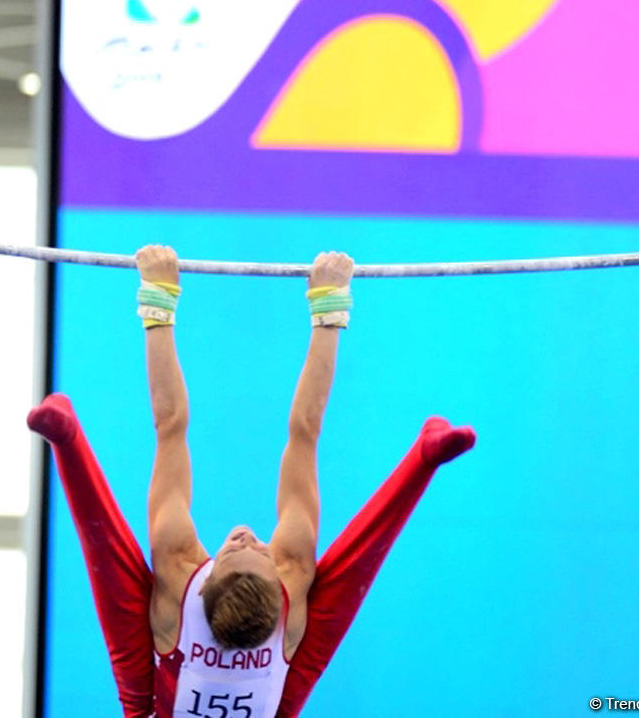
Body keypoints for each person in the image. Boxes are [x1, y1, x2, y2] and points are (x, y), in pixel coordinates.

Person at [28, 245, 476, 717]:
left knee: (107, 558)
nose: (246, 535)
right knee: (354, 566)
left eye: (235, 547)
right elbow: (305, 436)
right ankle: (426, 457)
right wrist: (328, 307)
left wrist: (158, 299)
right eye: (259, 549)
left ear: (199, 587)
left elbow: (170, 427)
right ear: (280, 594)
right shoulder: (290, 580)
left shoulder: (178, 578)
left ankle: (67, 440)